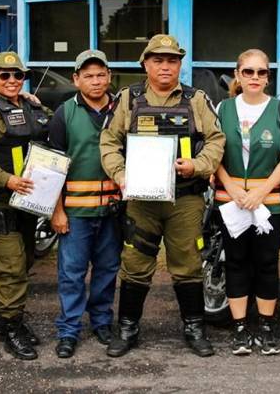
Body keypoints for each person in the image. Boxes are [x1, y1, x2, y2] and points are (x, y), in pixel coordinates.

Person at [100, 34, 225, 358]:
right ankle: (127, 328)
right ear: (146, 64)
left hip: (185, 199)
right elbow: (109, 142)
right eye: (158, 60)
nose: (165, 66)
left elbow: (216, 139)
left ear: (180, 64)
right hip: (142, 201)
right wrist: (121, 175)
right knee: (135, 262)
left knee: (188, 263)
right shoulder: (129, 98)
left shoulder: (197, 99)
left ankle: (195, 328)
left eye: (172, 60)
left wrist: (197, 165)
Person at [0, 51, 51, 360]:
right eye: (5, 75)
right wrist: (6, 180)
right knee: (12, 267)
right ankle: (11, 328)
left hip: (30, 202)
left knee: (26, 260)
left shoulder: (32, 107)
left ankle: (10, 321)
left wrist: (38, 105)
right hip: (1, 202)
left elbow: (50, 129)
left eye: (18, 76)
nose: (13, 80)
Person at [214, 49, 280, 356]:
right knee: (235, 262)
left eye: (261, 72)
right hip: (231, 200)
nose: (254, 77)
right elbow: (213, 153)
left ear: (268, 76)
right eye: (248, 71)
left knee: (266, 263)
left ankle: (265, 326)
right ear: (237, 75)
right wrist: (230, 186)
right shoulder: (222, 108)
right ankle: (240, 329)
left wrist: (262, 190)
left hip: (269, 202)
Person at [48, 50, 121, 358]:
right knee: (72, 272)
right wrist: (57, 210)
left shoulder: (122, 111)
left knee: (107, 269)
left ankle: (102, 322)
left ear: (109, 77)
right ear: (76, 79)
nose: (95, 81)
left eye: (101, 74)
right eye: (88, 76)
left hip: (114, 210)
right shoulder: (64, 113)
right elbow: (51, 168)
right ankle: (68, 330)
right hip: (75, 212)